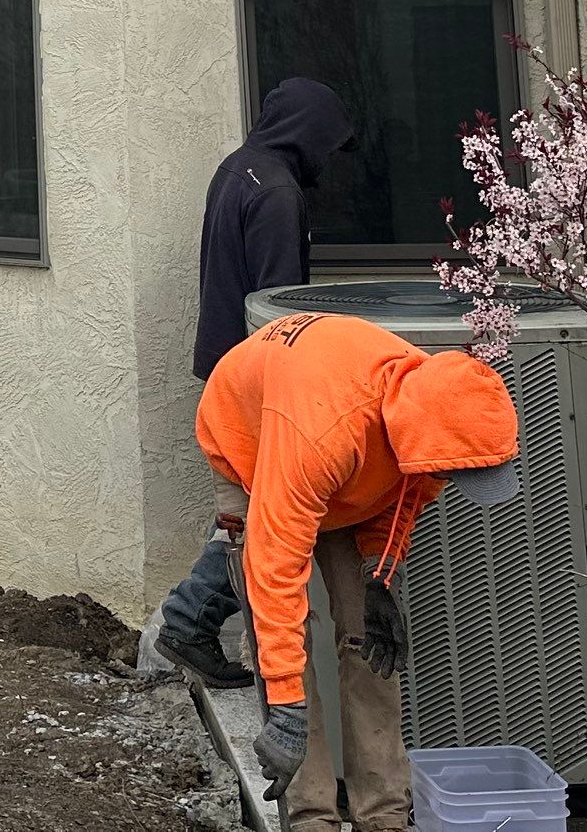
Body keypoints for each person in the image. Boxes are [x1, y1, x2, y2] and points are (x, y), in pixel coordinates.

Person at [191, 309, 521, 831]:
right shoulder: (322, 437)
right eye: (455, 472)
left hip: (338, 457)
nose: (450, 481)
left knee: (368, 641)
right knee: (282, 628)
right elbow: (277, 573)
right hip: (253, 433)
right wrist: (286, 710)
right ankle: (310, 817)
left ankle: (384, 813)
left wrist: (379, 575)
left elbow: (403, 495)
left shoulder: (428, 410)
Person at [154, 76, 353, 690]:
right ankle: (189, 621)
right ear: (310, 133)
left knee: (246, 514)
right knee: (263, 518)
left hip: (226, 368)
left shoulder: (238, 169)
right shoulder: (278, 196)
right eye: (329, 141)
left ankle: (193, 623)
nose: (330, 157)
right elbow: (281, 309)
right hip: (257, 380)